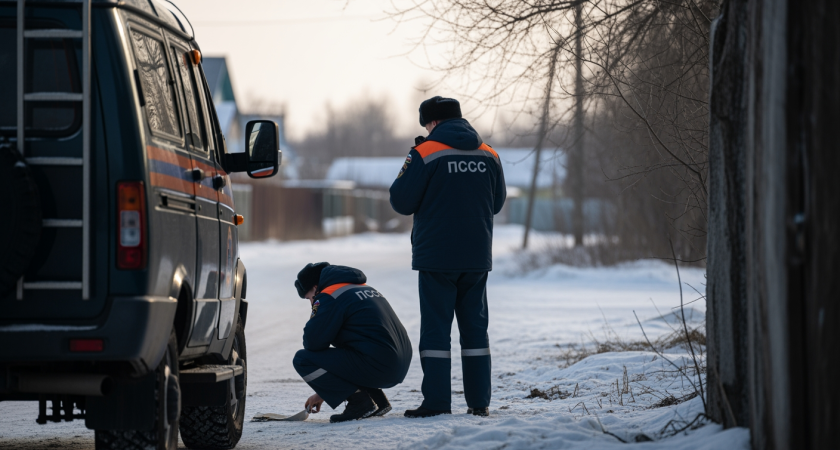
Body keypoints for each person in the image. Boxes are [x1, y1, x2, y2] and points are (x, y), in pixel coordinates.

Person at [389, 96, 507, 418]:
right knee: (475, 331)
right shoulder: (489, 154)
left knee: (436, 331)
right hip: (476, 256)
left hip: (437, 258)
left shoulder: (425, 153)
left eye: (426, 124)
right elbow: (496, 203)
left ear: (433, 122)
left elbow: (400, 200)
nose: (426, 130)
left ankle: (438, 403)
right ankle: (479, 402)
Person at [291, 262, 413, 423]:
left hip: (379, 365)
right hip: (397, 364)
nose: (311, 303)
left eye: (309, 297)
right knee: (353, 345)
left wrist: (318, 312)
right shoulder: (363, 288)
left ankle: (359, 402)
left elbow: (312, 342)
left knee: (303, 359)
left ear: (315, 287)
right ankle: (376, 400)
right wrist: (323, 393)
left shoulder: (330, 295)